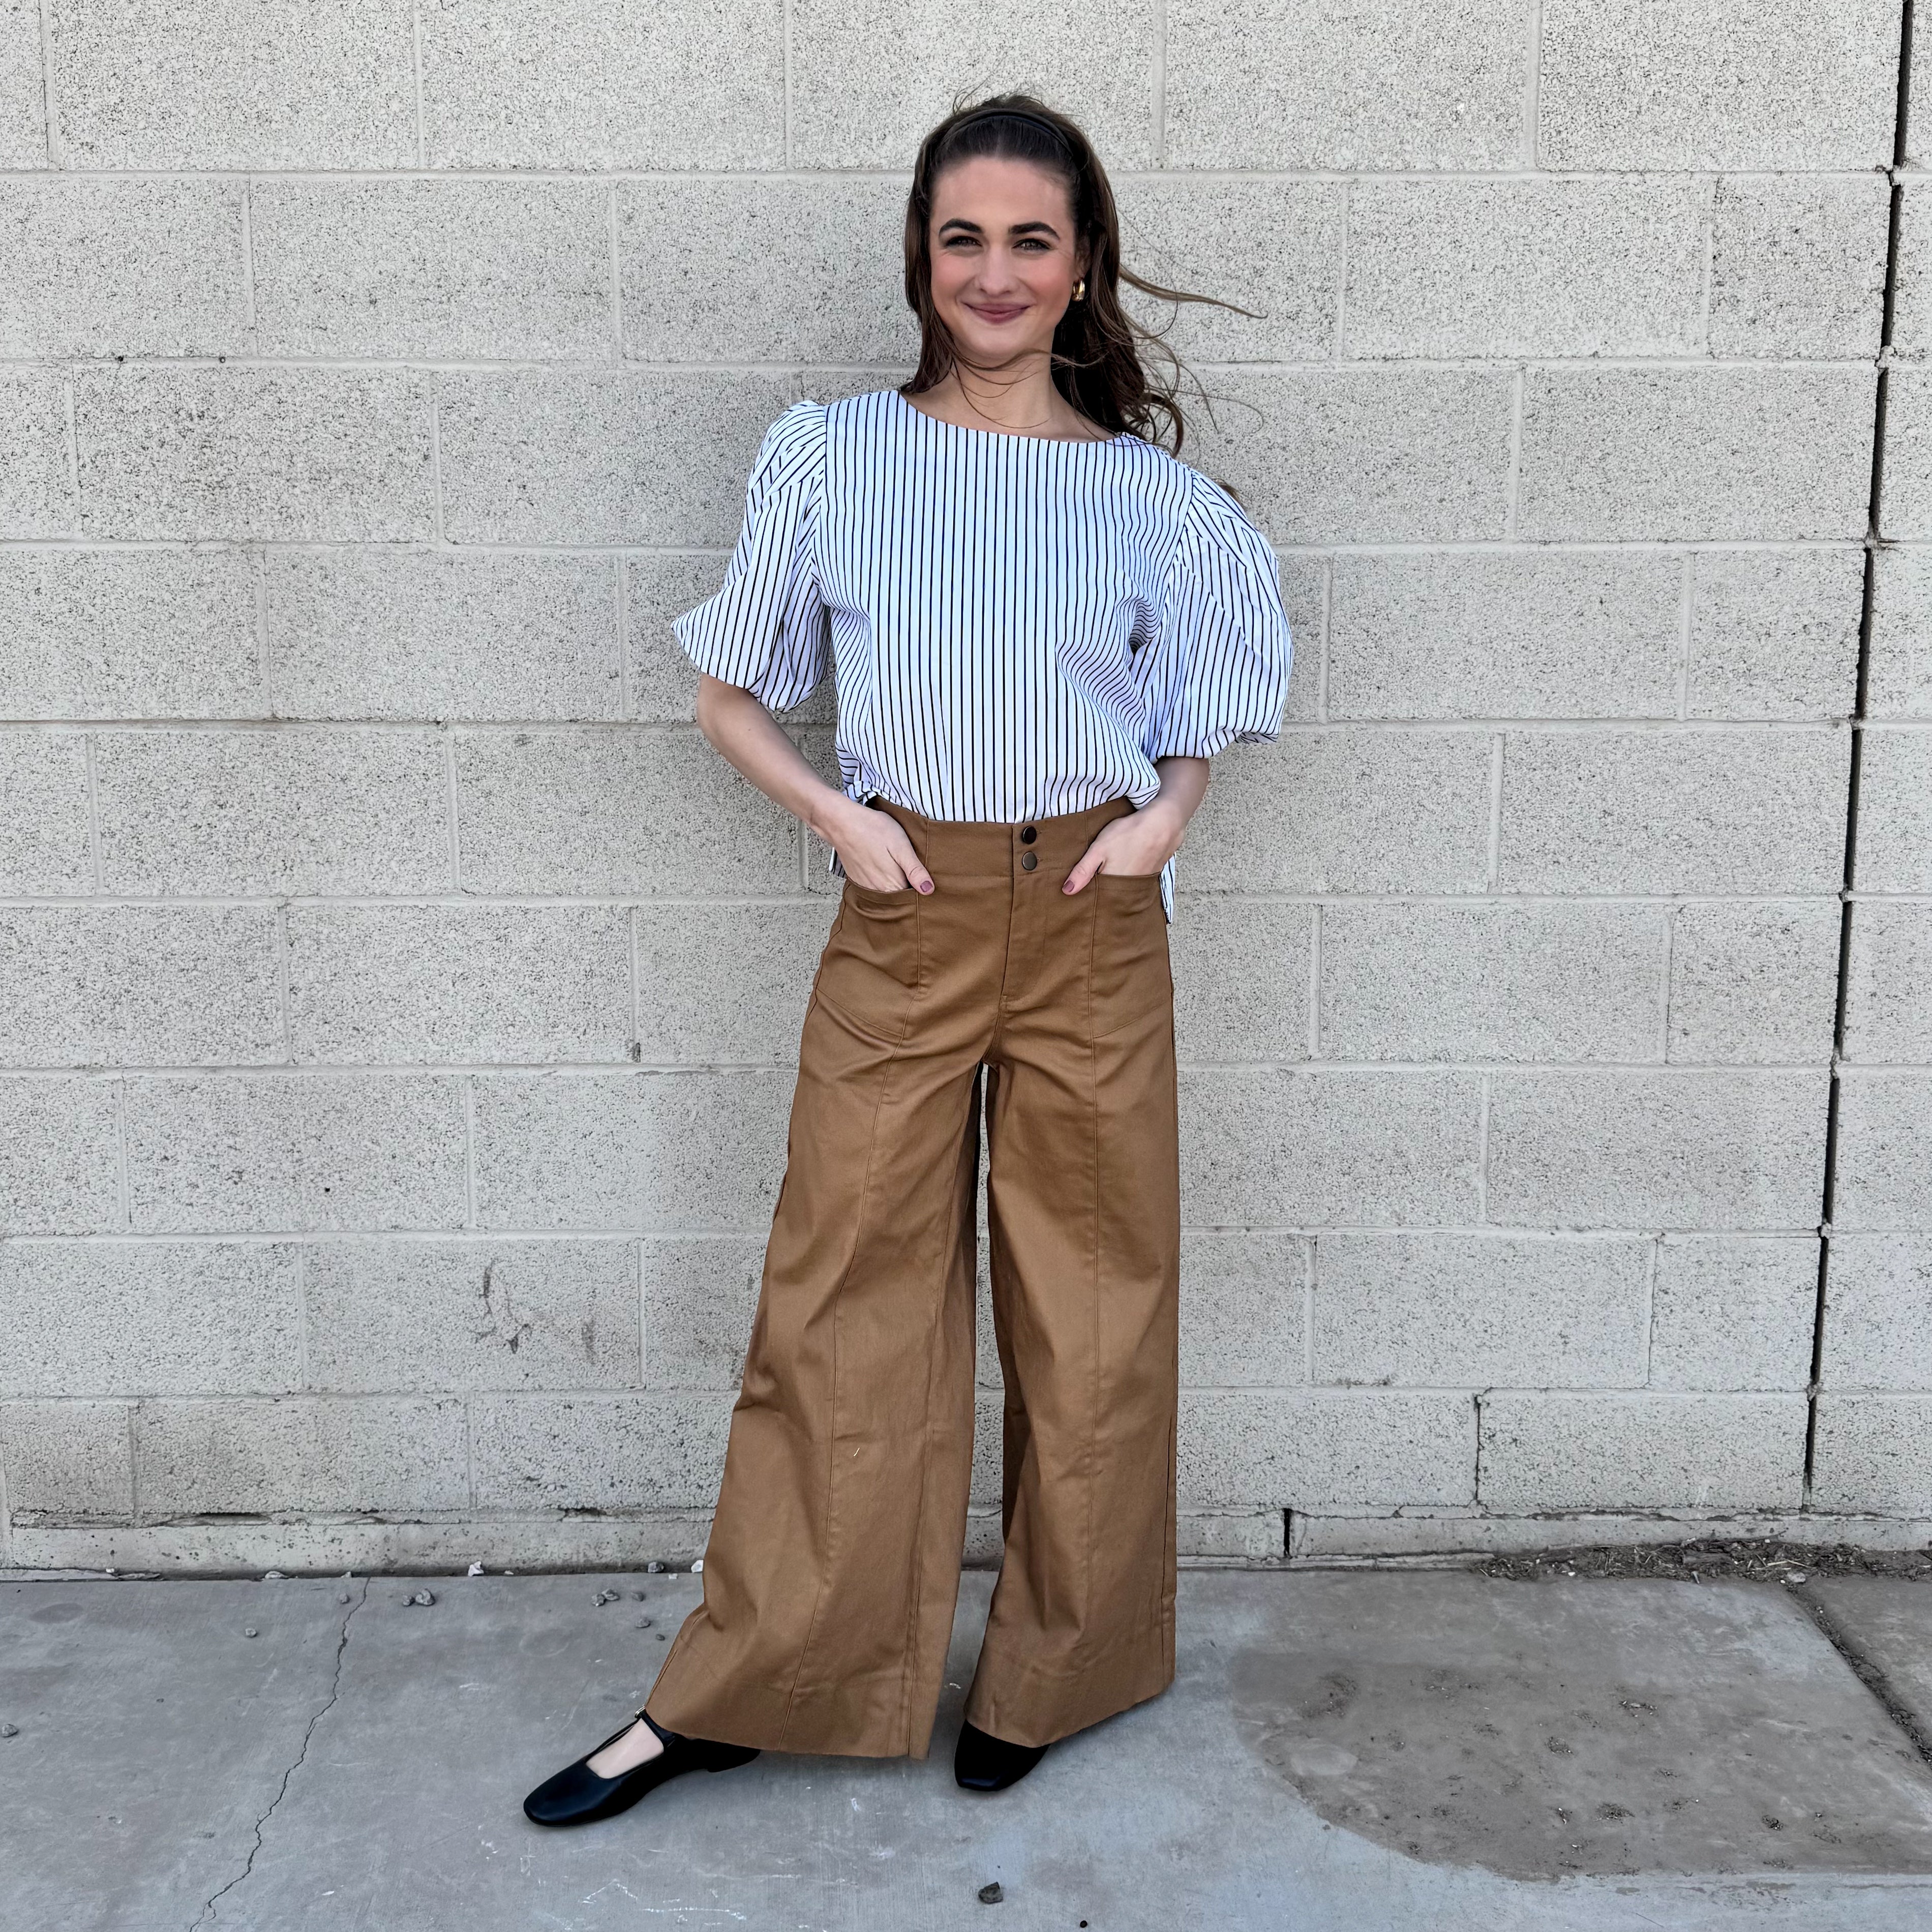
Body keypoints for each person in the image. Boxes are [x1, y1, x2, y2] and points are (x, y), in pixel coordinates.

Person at [523, 91, 1291, 1828]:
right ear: (922, 258)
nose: (997, 272)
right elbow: (728, 690)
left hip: (1093, 919)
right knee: (839, 1302)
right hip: (906, 906)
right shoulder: (832, 456)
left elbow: (1207, 702)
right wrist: (839, 819)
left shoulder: (1151, 498)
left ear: (1082, 261)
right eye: (965, 238)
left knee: (1096, 1314)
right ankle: (752, 1683)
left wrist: (1167, 814)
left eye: (1032, 238)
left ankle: (1054, 1673)